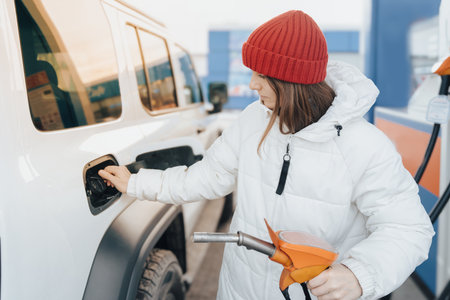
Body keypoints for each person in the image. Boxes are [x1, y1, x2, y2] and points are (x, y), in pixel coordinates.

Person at [99, 10, 434, 300]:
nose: (251, 85)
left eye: (261, 75)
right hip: (239, 287)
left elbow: (409, 230)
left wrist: (359, 275)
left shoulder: (363, 147)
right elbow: (206, 177)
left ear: (291, 81)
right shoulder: (252, 121)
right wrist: (137, 183)